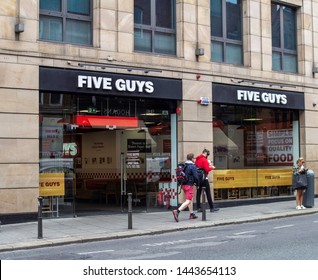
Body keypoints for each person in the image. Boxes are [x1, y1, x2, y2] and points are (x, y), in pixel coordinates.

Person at [172, 153, 199, 222]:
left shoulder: (184, 165)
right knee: (188, 201)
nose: (194, 159)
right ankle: (177, 211)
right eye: (194, 158)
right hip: (189, 185)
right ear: (192, 158)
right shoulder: (192, 166)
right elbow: (196, 177)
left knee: (190, 199)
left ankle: (191, 214)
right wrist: (198, 184)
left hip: (183, 185)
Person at [195, 148, 219, 212]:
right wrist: (212, 167)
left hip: (198, 179)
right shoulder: (204, 160)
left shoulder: (197, 159)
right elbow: (207, 169)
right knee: (208, 193)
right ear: (205, 153)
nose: (207, 156)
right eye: (207, 154)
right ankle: (211, 208)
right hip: (204, 179)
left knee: (198, 193)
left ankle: (198, 208)